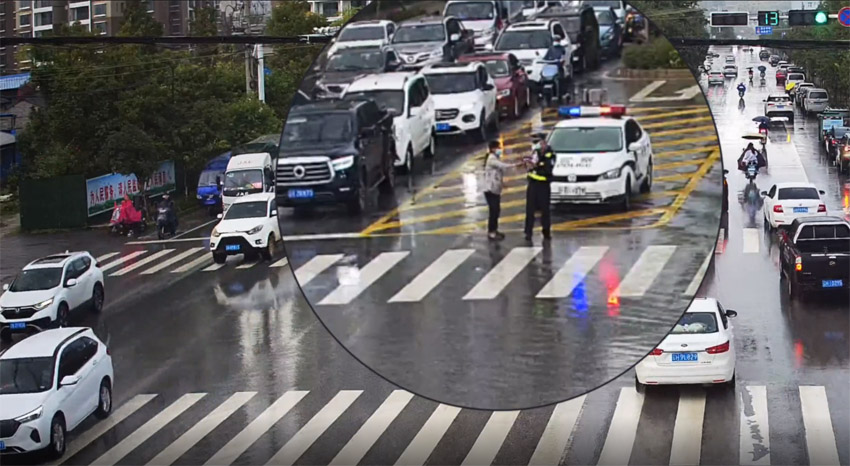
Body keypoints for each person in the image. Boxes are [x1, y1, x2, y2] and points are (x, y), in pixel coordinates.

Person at [483, 140, 523, 241]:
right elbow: (503, 166)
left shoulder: (494, 158)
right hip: (490, 189)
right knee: (494, 211)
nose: (500, 150)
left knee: (496, 210)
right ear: (493, 149)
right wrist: (516, 165)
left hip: (494, 188)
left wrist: (502, 184)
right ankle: (491, 232)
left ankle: (494, 230)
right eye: (498, 148)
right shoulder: (491, 159)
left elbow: (497, 173)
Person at [524, 132, 554, 242]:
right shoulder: (534, 153)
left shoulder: (549, 155)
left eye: (538, 142)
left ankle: (546, 232)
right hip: (532, 185)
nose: (535, 145)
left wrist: (536, 167)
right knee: (530, 210)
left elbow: (546, 170)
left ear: (544, 143)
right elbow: (529, 166)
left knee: (545, 210)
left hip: (543, 186)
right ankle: (528, 233)